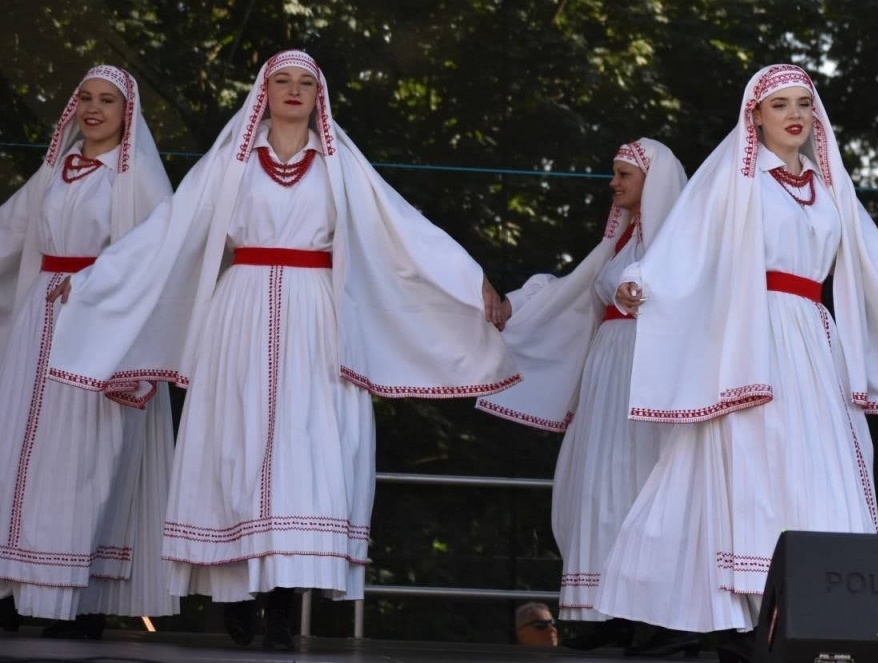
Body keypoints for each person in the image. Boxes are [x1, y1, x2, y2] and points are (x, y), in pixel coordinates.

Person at [44, 50, 518, 650]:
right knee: (239, 445)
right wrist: (90, 283)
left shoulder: (341, 165)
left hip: (315, 315)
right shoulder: (230, 164)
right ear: (262, 92)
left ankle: (283, 602)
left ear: (318, 95)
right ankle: (242, 593)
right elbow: (163, 237)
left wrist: (470, 280)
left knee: (307, 446)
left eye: (304, 83)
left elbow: (404, 231)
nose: (292, 91)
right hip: (240, 312)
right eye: (281, 81)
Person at [592, 64, 878, 656]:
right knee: (748, 460)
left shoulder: (830, 188)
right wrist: (640, 281)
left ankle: (805, 614)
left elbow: (875, 259)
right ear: (755, 115)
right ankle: (729, 615)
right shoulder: (738, 177)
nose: (795, 114)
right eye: (780, 105)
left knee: (814, 465)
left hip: (811, 338)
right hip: (752, 335)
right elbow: (687, 242)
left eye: (804, 102)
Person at [478, 138, 686, 648]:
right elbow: (572, 289)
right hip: (610, 368)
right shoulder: (619, 240)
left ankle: (653, 617)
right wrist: (516, 303)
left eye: (624, 176)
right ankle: (609, 610)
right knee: (599, 483)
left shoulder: (680, 241)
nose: (613, 184)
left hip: (649, 368)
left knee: (640, 482)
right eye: (613, 174)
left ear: (652, 182)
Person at [0, 65, 177, 636]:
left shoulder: (139, 179)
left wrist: (101, 281)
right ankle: (13, 587)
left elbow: (160, 252)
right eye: (86, 98)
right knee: (18, 449)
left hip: (98, 332)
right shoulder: (55, 170)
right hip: (41, 320)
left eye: (108, 101)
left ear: (129, 115)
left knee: (84, 457)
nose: (94, 109)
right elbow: (10, 230)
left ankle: (77, 601)